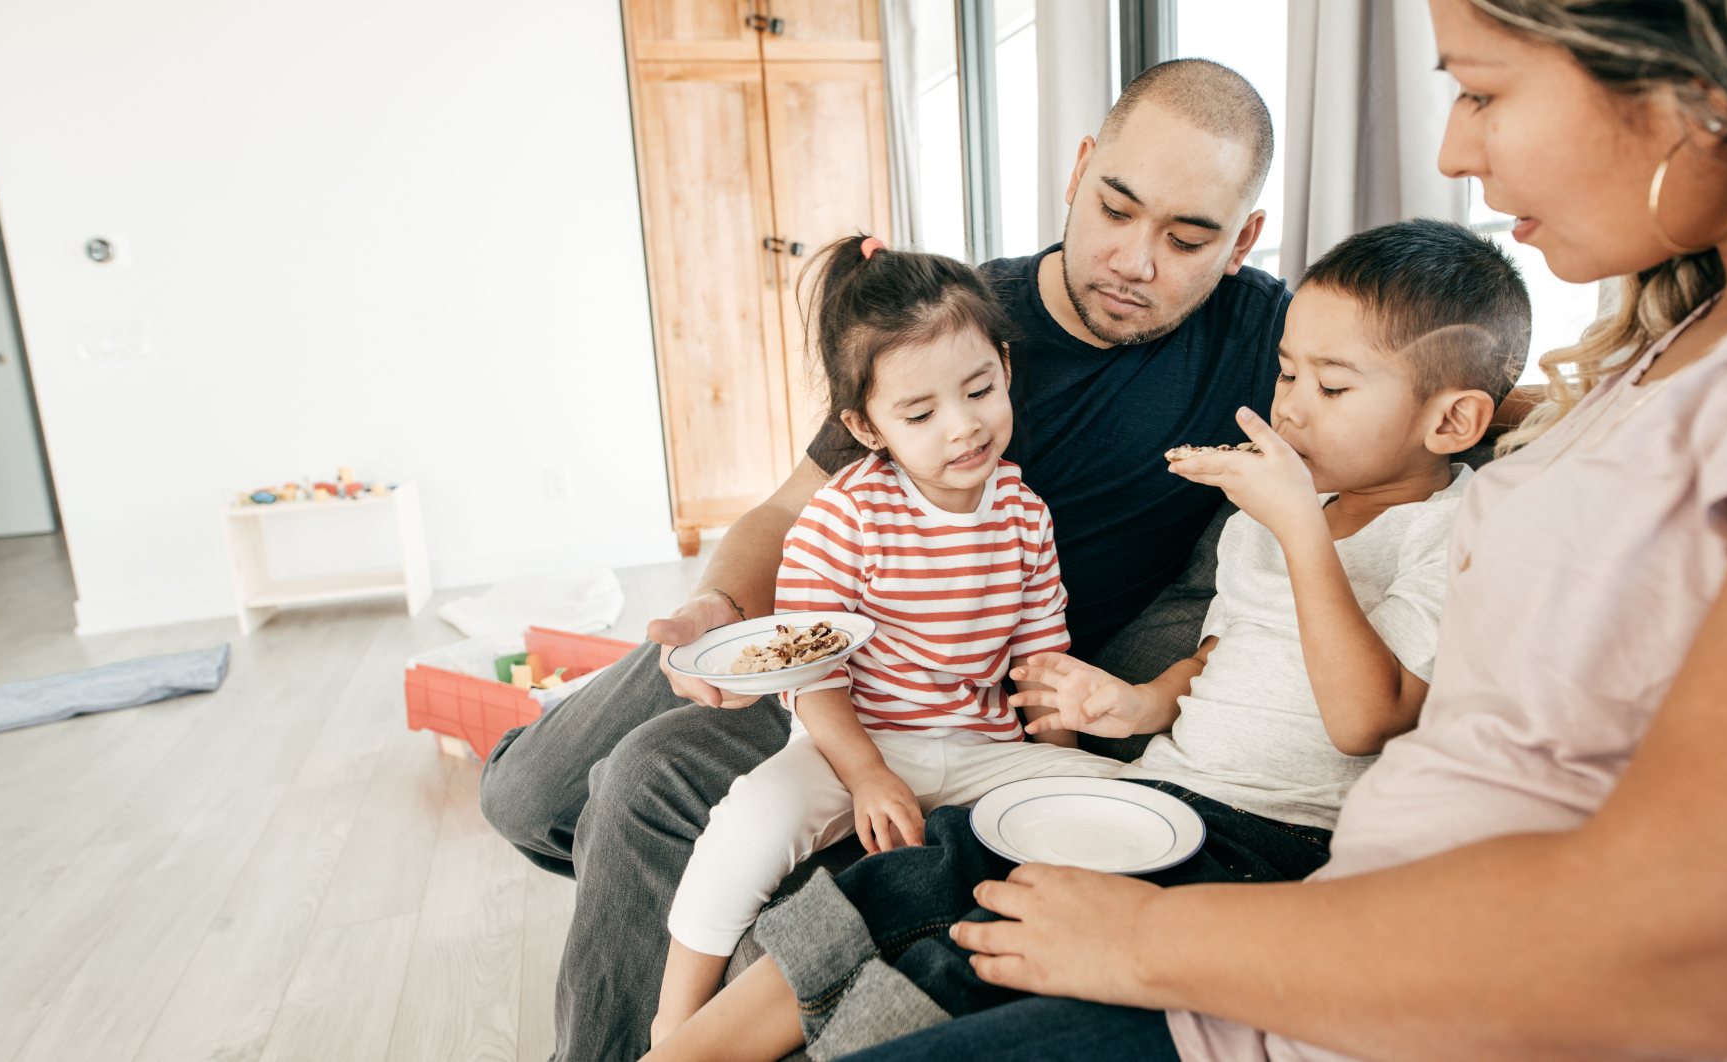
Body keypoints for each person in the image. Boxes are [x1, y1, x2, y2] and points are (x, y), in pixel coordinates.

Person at [727, 2, 1727, 1059]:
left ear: (1688, 83)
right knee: (845, 870)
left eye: (1483, 91)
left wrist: (1140, 939)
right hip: (1339, 897)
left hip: (1352, 936)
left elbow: (1716, 931)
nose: (1455, 150)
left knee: (933, 957)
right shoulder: (1675, 333)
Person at [480, 58, 1292, 1062]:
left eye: (1187, 238)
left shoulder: (1261, 334)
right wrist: (715, 604)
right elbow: (787, 509)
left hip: (949, 694)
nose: (1135, 259)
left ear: (1244, 239)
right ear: (1079, 170)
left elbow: (1432, 354)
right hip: (826, 628)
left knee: (643, 782)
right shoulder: (959, 325)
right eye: (1116, 208)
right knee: (523, 796)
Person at [642, 218, 1532, 1062]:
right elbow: (1219, 661)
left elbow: (1363, 719)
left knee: (983, 947)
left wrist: (1301, 531)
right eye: (1287, 374)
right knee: (922, 875)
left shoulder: (1449, 533)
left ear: (1453, 423)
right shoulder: (1264, 521)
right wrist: (1140, 700)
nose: (1289, 410)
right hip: (1166, 786)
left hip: (1271, 841)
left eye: (1329, 388)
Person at [651, 234, 1130, 1041]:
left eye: (980, 389)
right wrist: (869, 777)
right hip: (856, 740)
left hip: (979, 743)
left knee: (1117, 801)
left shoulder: (1023, 511)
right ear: (865, 426)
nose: (964, 428)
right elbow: (816, 683)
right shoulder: (844, 518)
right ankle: (672, 1026)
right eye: (919, 412)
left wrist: (1069, 759)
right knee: (752, 818)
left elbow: (1040, 664)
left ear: (1005, 369)